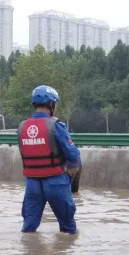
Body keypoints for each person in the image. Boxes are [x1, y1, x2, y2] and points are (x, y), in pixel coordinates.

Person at [18, 85, 82, 234]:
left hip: (32, 184)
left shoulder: (22, 126)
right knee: (68, 228)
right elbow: (72, 153)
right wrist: (72, 172)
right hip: (56, 181)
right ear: (51, 104)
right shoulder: (56, 125)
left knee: (28, 229)